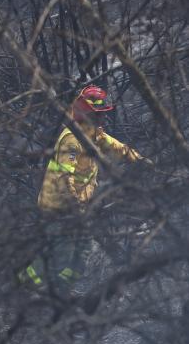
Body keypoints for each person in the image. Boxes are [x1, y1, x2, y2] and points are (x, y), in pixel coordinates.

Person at [21, 85, 145, 290]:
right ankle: (24, 288)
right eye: (98, 115)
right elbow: (64, 177)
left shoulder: (94, 135)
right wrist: (75, 207)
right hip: (59, 206)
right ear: (86, 115)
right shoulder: (73, 140)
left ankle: (63, 290)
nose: (102, 119)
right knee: (59, 254)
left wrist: (143, 162)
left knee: (83, 248)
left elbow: (119, 148)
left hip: (78, 206)